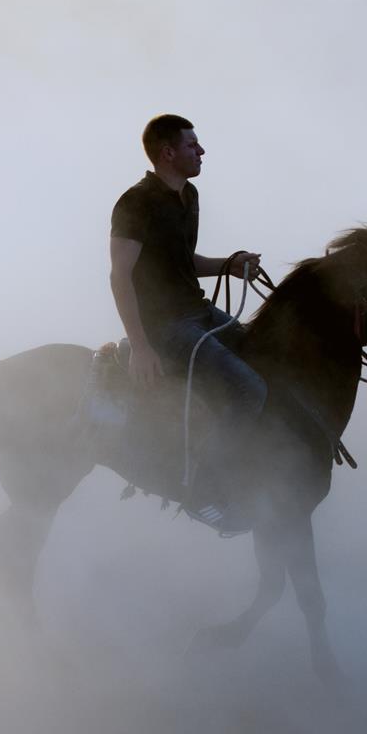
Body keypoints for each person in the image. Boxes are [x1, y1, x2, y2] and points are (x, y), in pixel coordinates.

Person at [108, 114, 267, 534]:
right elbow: (120, 275)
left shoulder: (189, 195)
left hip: (197, 312)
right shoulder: (135, 203)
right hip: (166, 326)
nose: (201, 151)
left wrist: (228, 266)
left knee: (265, 352)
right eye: (193, 144)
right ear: (168, 152)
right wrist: (141, 346)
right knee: (248, 388)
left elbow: (184, 262)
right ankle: (204, 492)